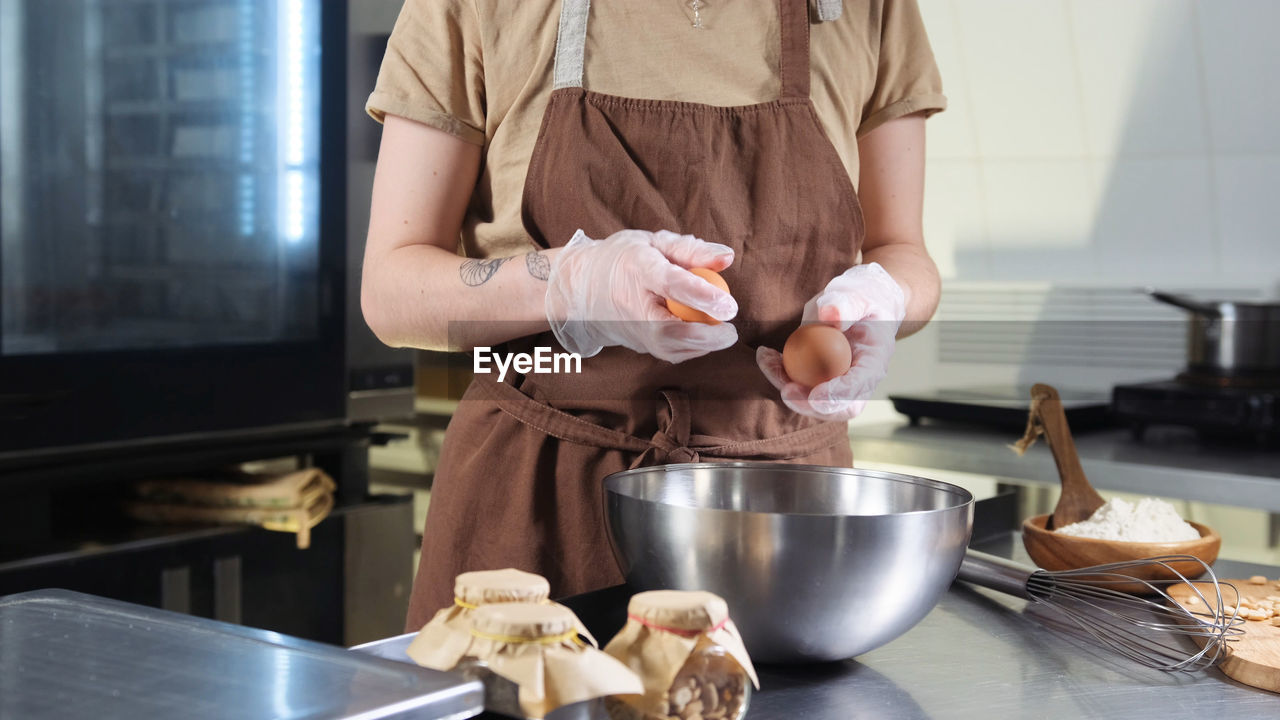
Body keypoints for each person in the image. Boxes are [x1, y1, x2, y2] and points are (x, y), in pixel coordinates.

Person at [362, 0, 946, 629]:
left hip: (787, 518)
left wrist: (883, 302)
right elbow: (391, 294)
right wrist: (569, 283)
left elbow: (902, 252)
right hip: (534, 504)